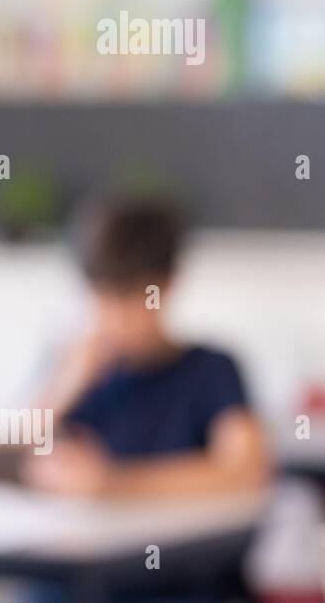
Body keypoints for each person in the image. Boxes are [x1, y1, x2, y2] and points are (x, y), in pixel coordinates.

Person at [25, 197, 271, 498]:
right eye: (103, 296)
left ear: (168, 284)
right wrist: (66, 387)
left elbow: (247, 471)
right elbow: (12, 461)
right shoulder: (75, 371)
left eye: (129, 296)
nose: (114, 316)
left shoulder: (211, 371)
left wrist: (115, 485)